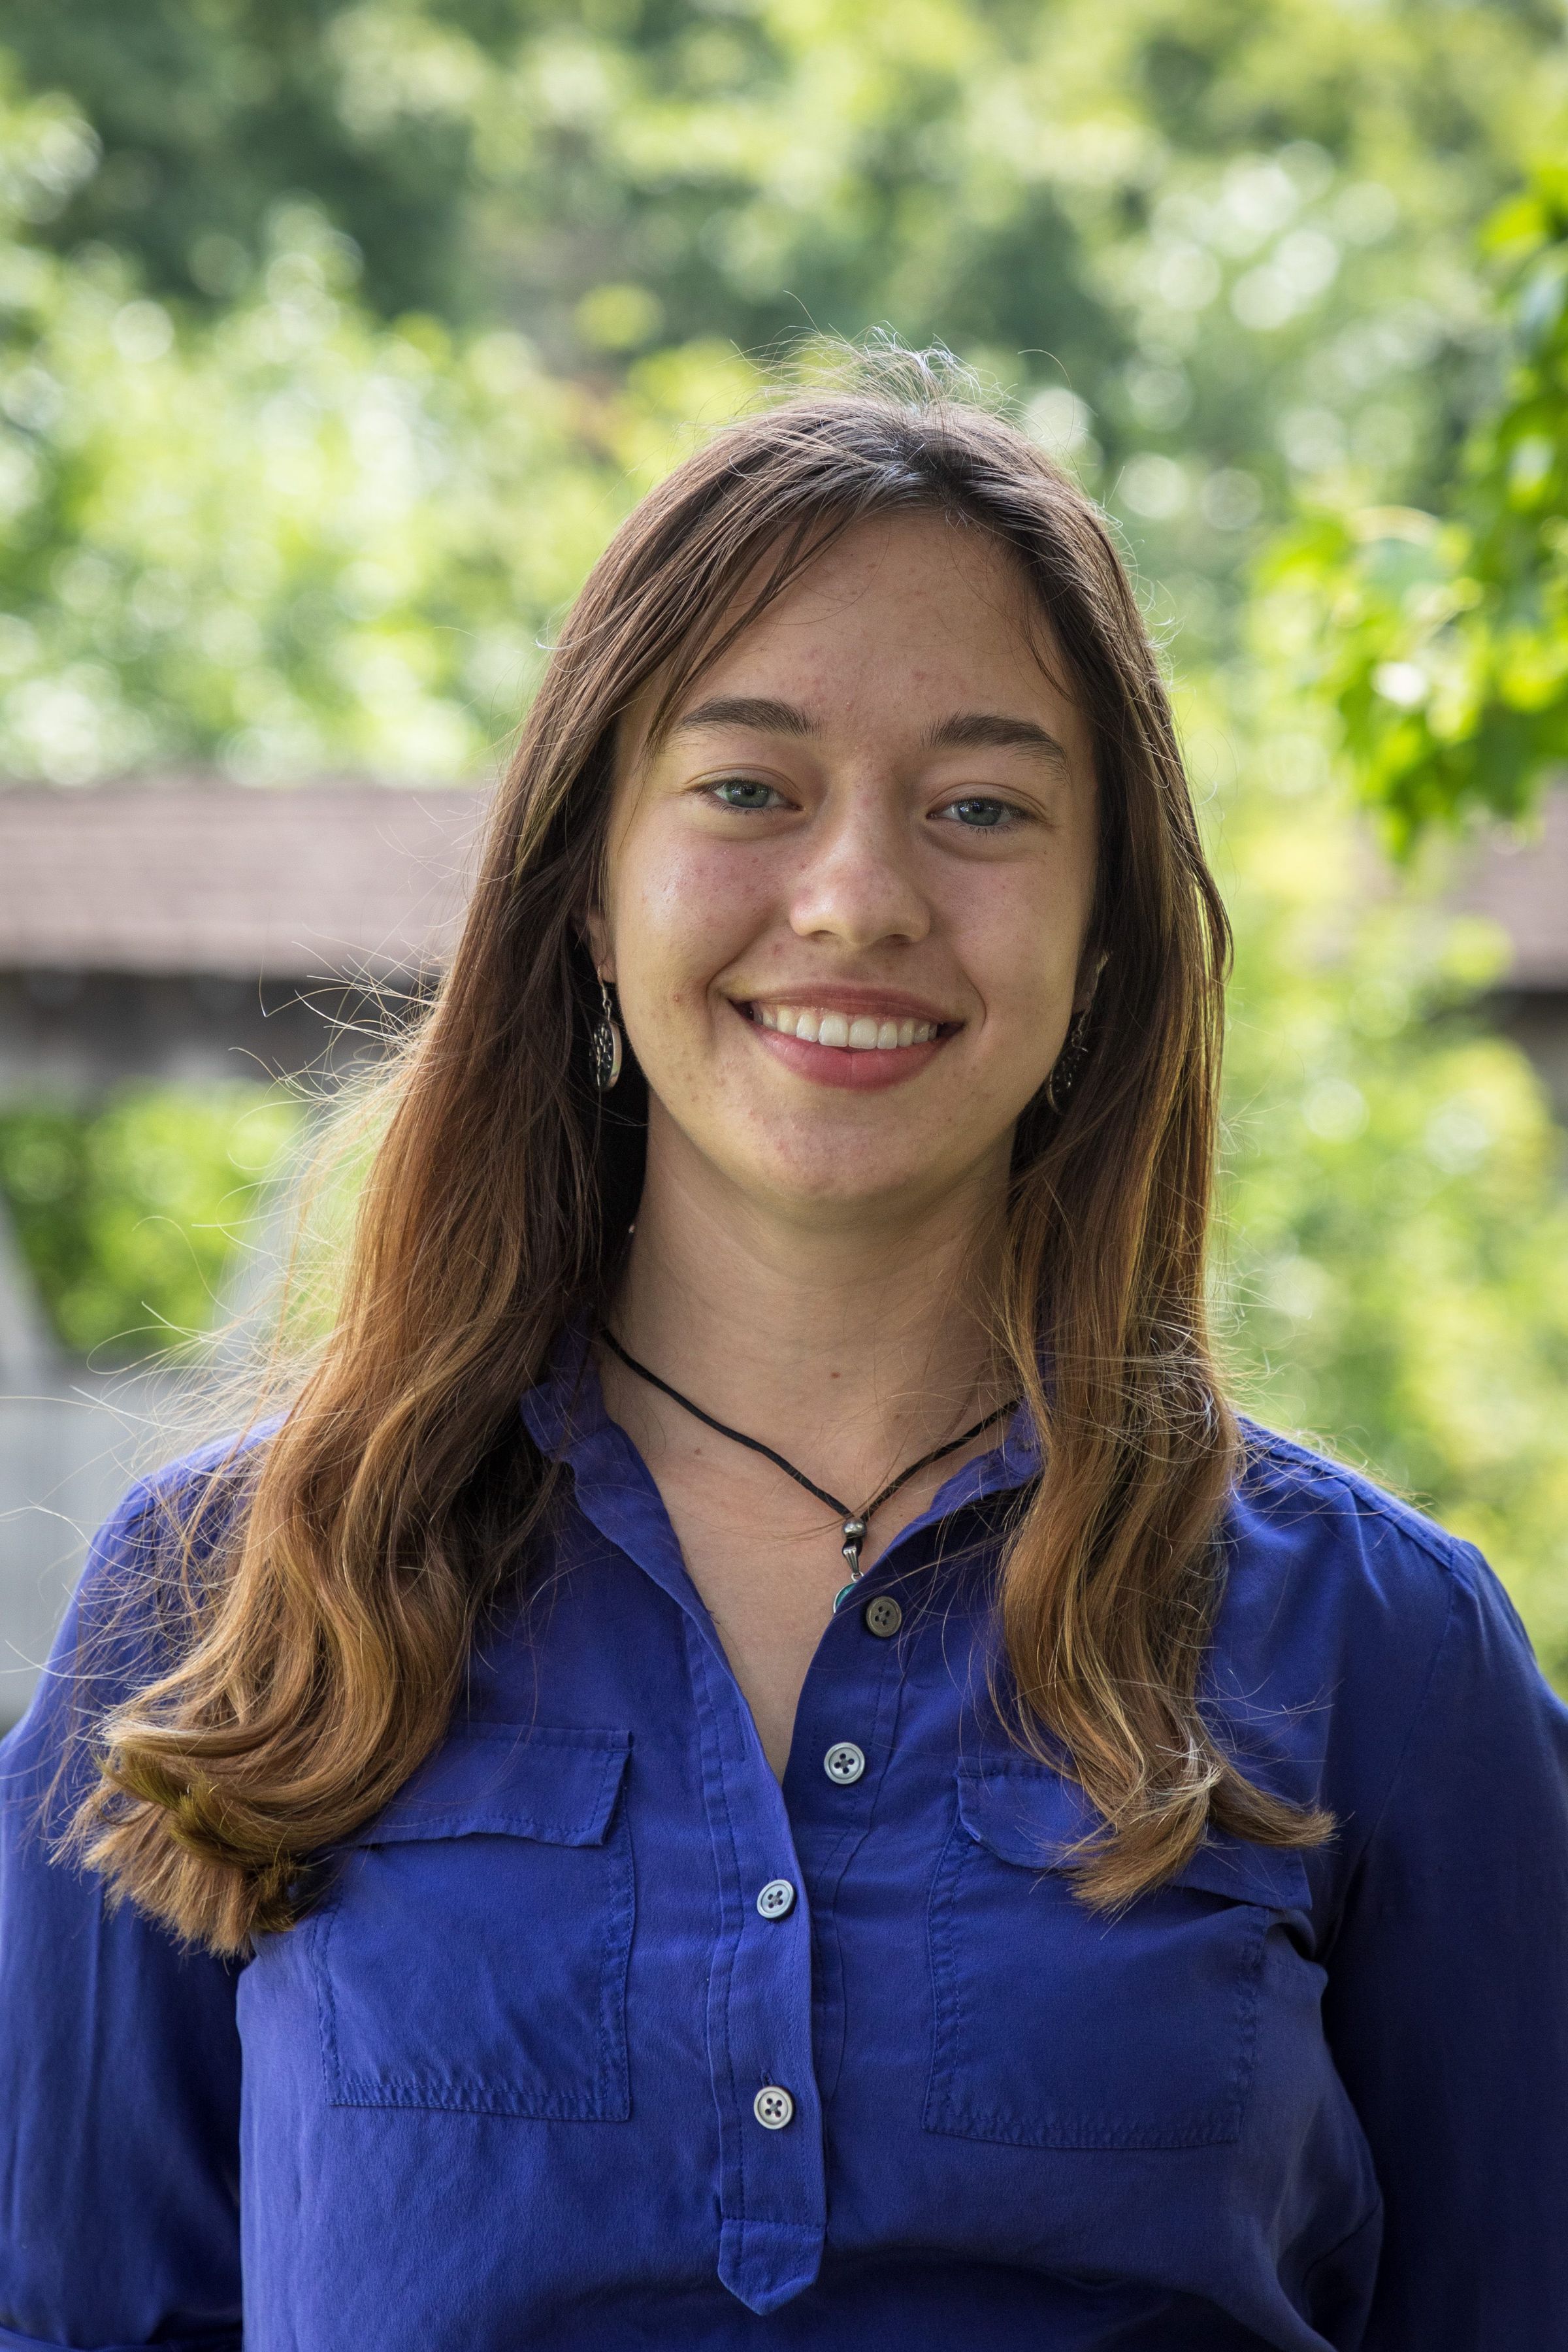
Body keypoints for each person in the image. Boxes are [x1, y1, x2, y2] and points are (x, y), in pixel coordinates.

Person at [2, 368, 1565, 2352]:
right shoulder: (224, 1608)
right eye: (749, 788)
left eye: (981, 808)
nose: (857, 900)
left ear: (1104, 935)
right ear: (589, 889)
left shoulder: (1383, 1654)